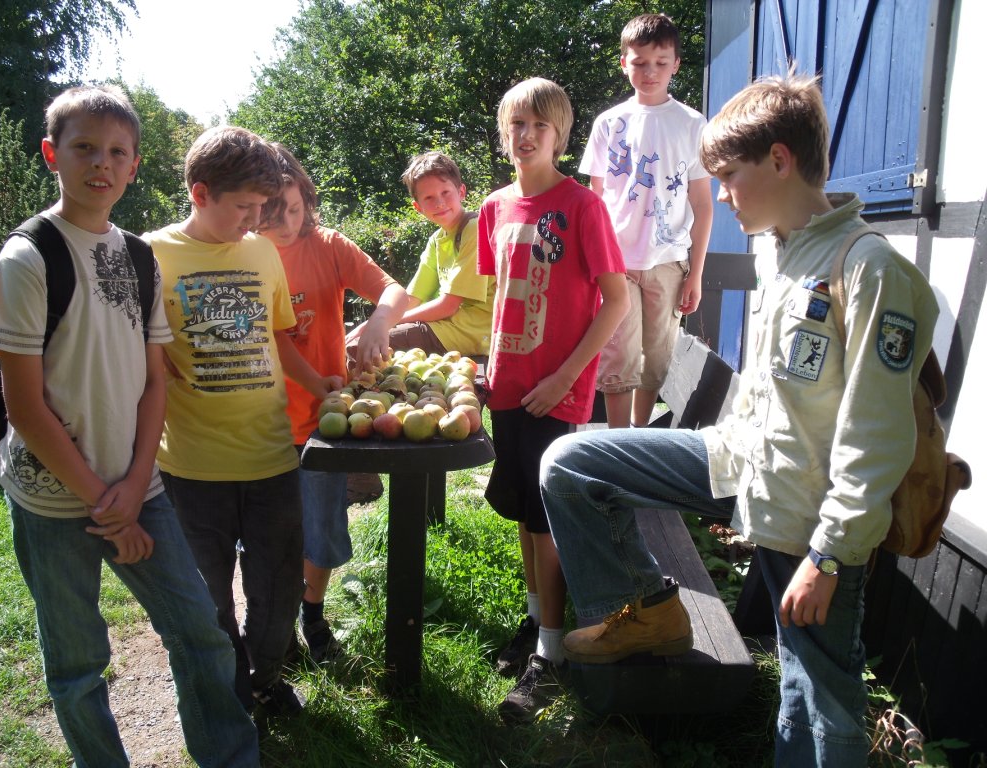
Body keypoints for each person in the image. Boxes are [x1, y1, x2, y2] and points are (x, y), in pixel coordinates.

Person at [540, 73, 940, 767]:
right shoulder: (783, 247)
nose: (719, 195)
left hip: (811, 515)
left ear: (780, 160)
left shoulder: (868, 269)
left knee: (819, 700)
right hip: (740, 464)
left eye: (728, 176)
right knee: (571, 465)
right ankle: (650, 607)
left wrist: (830, 555)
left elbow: (876, 436)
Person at [0, 86, 259, 767]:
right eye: (84, 149)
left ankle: (230, 757)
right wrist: (107, 506)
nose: (101, 164)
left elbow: (156, 378)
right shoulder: (27, 259)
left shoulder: (137, 256)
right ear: (52, 155)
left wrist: (133, 485)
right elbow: (26, 407)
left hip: (139, 486)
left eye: (117, 152)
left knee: (202, 631)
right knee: (78, 667)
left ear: (134, 167)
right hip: (52, 500)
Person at [144, 126, 342, 720]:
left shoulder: (260, 251)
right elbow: (141, 354)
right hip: (190, 467)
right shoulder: (148, 254)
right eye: (244, 208)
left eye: (264, 209)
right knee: (209, 597)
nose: (256, 222)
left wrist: (319, 385)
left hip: (273, 458)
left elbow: (275, 335)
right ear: (200, 193)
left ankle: (265, 679)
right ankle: (229, 685)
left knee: (279, 590)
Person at [478, 77, 629, 723]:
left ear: (561, 135)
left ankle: (553, 654)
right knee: (521, 511)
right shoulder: (493, 207)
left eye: (539, 125)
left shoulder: (582, 206)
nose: (526, 135)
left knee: (549, 523)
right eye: (516, 124)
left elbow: (615, 301)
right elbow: (501, 294)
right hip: (508, 389)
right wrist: (486, 366)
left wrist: (567, 379)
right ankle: (539, 617)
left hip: (558, 396)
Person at [256, 143, 408, 663]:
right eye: (271, 214)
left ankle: (312, 615)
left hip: (323, 422)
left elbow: (391, 289)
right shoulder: (241, 253)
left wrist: (380, 322)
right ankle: (270, 626)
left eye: (295, 210)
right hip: (259, 423)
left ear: (307, 200)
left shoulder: (327, 245)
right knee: (267, 535)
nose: (285, 224)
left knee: (321, 529)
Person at [580, 13, 713, 428]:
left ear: (676, 63)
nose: (649, 71)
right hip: (615, 261)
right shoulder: (609, 123)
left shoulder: (693, 124)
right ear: (624, 63)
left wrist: (696, 274)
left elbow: (703, 204)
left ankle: (638, 435)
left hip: (668, 261)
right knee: (619, 354)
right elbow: (593, 200)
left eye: (660, 62)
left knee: (656, 356)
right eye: (639, 62)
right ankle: (619, 439)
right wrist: (590, 262)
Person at [347, 151, 494, 360]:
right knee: (362, 339)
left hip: (474, 333)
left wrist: (385, 324)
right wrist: (374, 322)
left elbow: (448, 305)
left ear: (461, 192)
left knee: (364, 346)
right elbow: (412, 298)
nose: (440, 203)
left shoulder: (475, 229)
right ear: (418, 207)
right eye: (429, 198)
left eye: (445, 193)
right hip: (449, 328)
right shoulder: (437, 240)